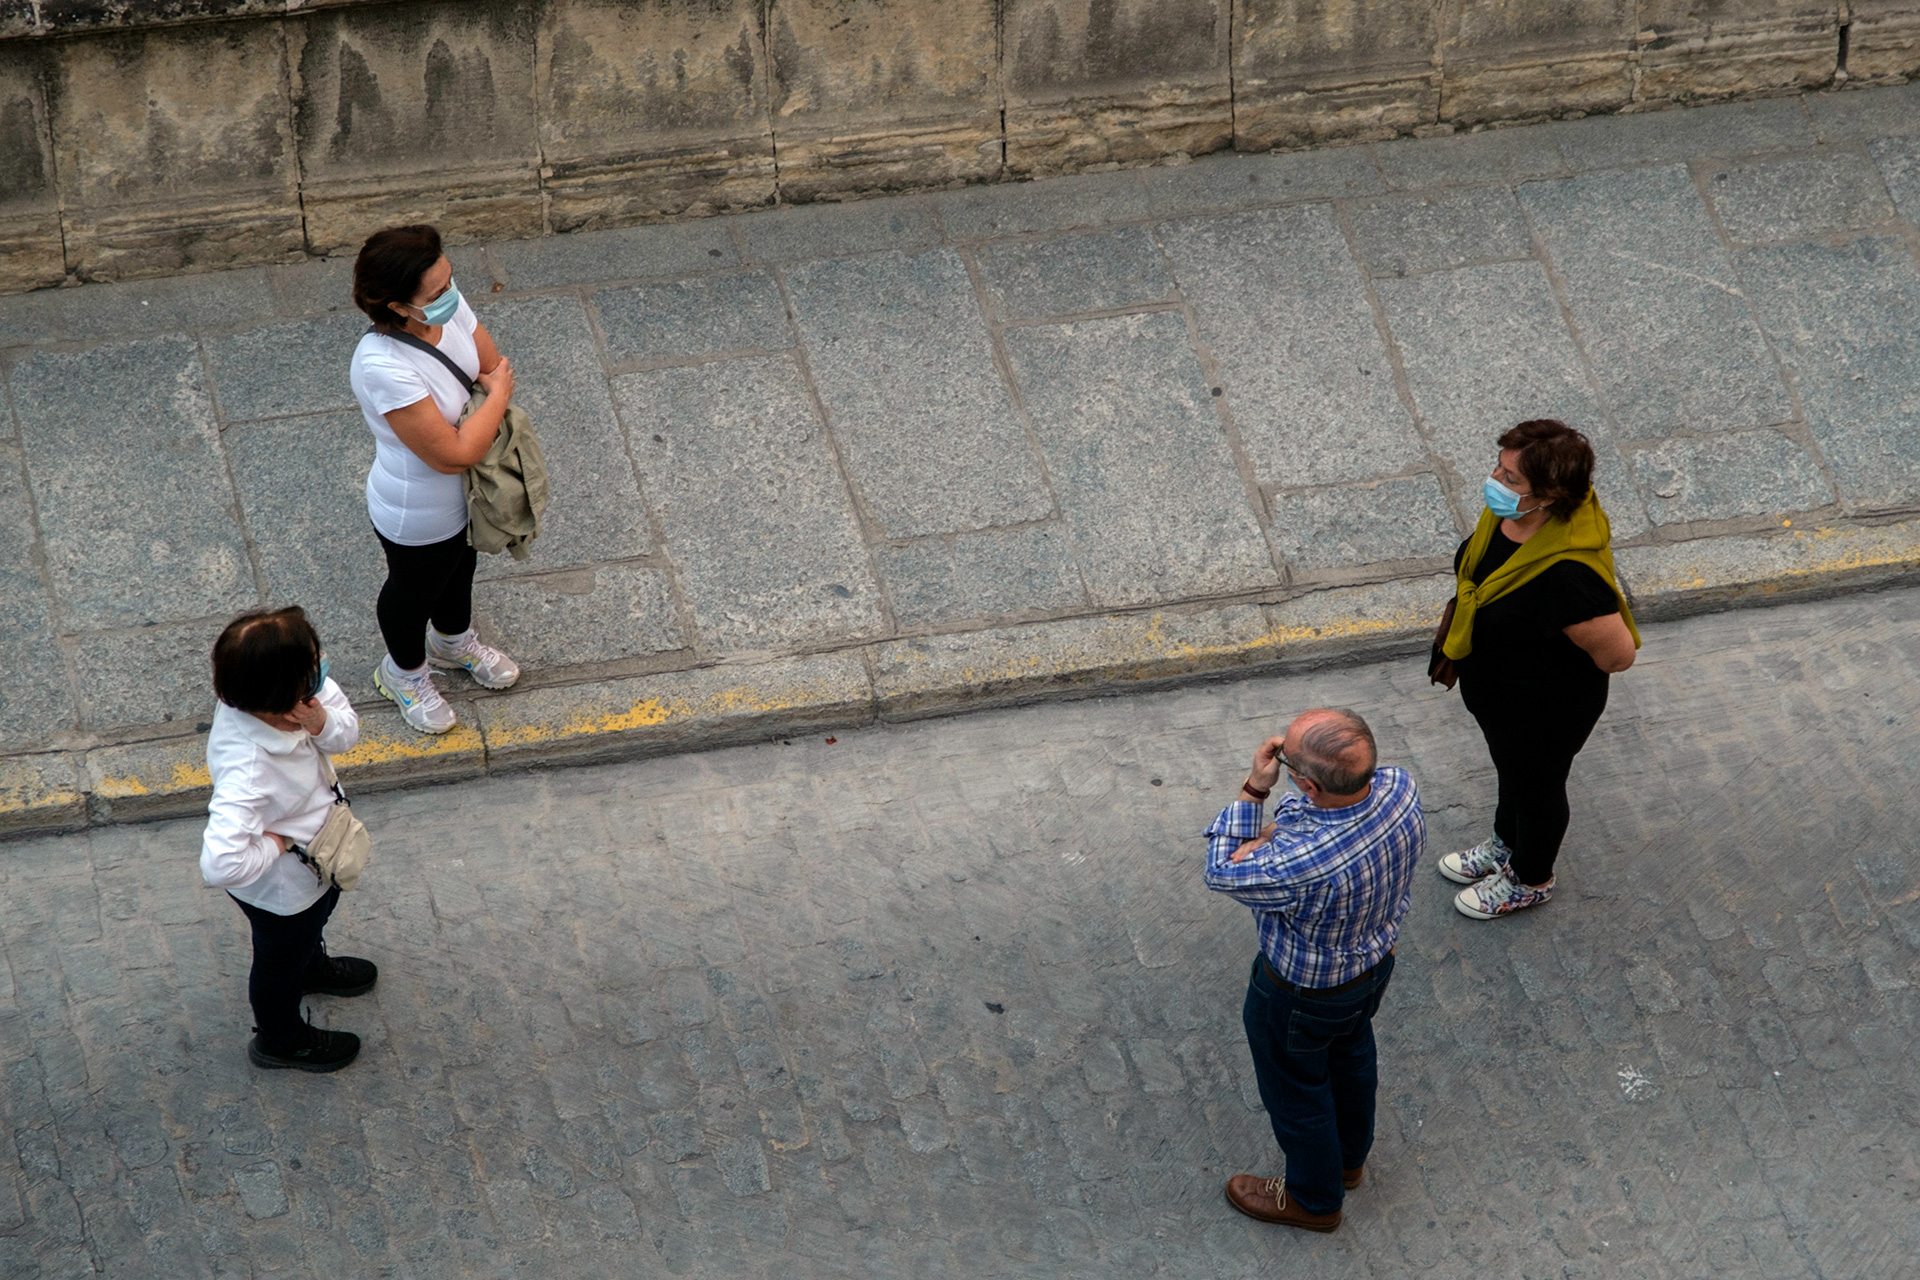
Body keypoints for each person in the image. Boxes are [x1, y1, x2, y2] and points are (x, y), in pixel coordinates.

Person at [1203, 709, 1423, 1233]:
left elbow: (1221, 869)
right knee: (1351, 1056)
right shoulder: (1399, 788)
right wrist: (1277, 834)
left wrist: (1257, 792)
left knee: (1296, 1091)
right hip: (1373, 966)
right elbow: (1316, 819)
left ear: (1303, 783)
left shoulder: (1293, 864)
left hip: (1300, 992)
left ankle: (1313, 1199)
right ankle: (1350, 1161)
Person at [1436, 419, 1640, 920]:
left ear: (1548, 495)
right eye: (1499, 469)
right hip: (1500, 694)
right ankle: (1507, 844)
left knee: (1538, 786)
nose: (1495, 483)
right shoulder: (1507, 521)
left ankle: (1531, 878)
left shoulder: (1568, 577)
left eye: (1511, 480)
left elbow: (1617, 656)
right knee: (1514, 775)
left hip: (1544, 709)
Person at [349, 224, 522, 734]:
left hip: (467, 498)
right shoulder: (382, 365)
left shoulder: (446, 306)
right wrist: (496, 398)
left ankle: (452, 643)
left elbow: (490, 364)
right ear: (399, 306)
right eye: (438, 291)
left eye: (450, 281)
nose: (451, 294)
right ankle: (403, 673)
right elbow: (454, 453)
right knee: (413, 591)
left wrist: (493, 394)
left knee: (460, 569)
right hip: (417, 507)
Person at [201, 607, 377, 1073]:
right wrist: (276, 845)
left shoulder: (295, 696)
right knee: (279, 961)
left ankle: (311, 968)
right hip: (285, 892)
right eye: (312, 666)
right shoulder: (248, 769)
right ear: (281, 696)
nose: (321, 669)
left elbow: (347, 730)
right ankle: (280, 1039)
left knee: (311, 929)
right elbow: (220, 863)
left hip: (318, 864)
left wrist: (320, 724)